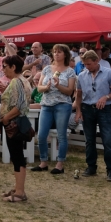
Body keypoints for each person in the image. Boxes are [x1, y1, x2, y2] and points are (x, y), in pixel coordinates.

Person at [73, 50, 111, 181]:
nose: (87, 67)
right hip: (87, 108)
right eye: (85, 64)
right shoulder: (82, 75)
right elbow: (79, 94)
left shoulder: (109, 72)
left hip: (104, 109)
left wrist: (106, 97)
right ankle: (91, 166)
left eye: (89, 64)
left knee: (107, 139)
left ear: (96, 61)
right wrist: (78, 110)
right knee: (89, 140)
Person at [33, 44, 77, 174]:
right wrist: (46, 87)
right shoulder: (47, 69)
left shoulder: (70, 71)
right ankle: (43, 162)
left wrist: (58, 86)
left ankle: (59, 164)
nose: (56, 54)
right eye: (54, 52)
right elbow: (39, 87)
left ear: (65, 54)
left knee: (61, 135)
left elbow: (70, 91)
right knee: (41, 135)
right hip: (46, 104)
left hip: (62, 104)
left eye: (59, 52)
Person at [0, 55, 32, 202]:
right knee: (17, 156)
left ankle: (19, 192)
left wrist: (6, 118)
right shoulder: (22, 80)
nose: (3, 69)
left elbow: (20, 106)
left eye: (5, 66)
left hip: (14, 124)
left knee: (17, 156)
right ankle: (18, 188)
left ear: (13, 67)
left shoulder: (17, 81)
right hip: (17, 123)